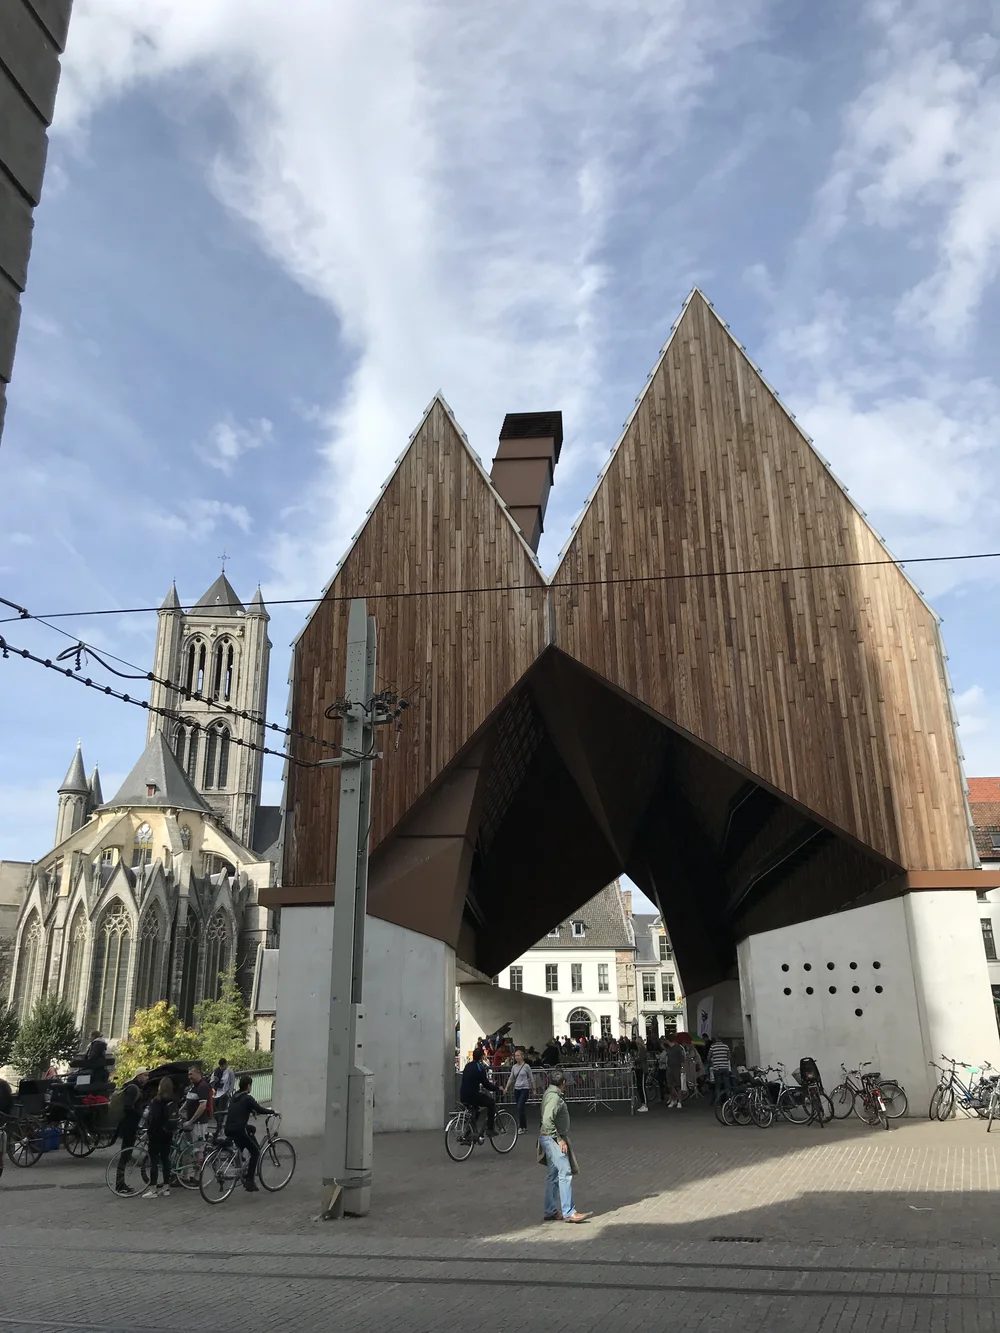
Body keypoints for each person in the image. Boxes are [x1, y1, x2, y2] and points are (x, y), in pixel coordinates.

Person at [538, 1072, 591, 1224]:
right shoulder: (554, 1097)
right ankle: (569, 1211)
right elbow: (547, 1120)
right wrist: (559, 1139)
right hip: (552, 1138)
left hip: (547, 1137)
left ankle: (550, 1210)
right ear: (562, 1083)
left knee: (553, 1174)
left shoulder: (549, 1093)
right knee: (565, 1172)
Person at [224, 1074, 276, 1192]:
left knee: (251, 1129)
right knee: (256, 1152)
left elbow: (240, 1108)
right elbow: (260, 1109)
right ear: (248, 1085)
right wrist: (272, 1112)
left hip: (229, 1128)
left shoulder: (235, 1096)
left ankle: (240, 1162)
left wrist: (250, 1110)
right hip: (239, 1129)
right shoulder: (247, 1098)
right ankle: (249, 1181)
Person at [113, 1068, 149, 1195]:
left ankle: (120, 1183)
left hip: (130, 1125)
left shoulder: (135, 1087)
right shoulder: (133, 1088)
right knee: (125, 1154)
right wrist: (141, 1114)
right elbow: (128, 1106)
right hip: (128, 1125)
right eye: (145, 1075)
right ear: (138, 1076)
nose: (147, 1077)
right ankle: (120, 1184)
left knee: (126, 1154)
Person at [142, 1075, 177, 1199]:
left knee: (154, 1161)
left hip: (156, 1134)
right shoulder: (173, 1099)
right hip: (168, 1133)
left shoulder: (157, 1101)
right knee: (165, 1160)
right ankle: (166, 1187)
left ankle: (153, 1189)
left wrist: (148, 1132)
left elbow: (154, 1119)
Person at [459, 1046, 499, 1138]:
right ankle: (490, 1129)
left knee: (475, 1111)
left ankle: (469, 1133)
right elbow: (486, 1084)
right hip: (473, 1095)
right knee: (491, 1103)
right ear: (481, 1057)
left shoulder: (467, 1066)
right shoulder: (480, 1068)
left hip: (463, 1095)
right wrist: (496, 1088)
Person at [504, 1047, 536, 1135]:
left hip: (524, 1088)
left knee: (520, 1106)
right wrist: (506, 1087)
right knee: (520, 1108)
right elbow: (511, 1078)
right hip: (517, 1089)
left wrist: (534, 1089)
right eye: (515, 1056)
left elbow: (531, 1078)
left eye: (518, 1055)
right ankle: (524, 1126)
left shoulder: (526, 1066)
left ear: (522, 1056)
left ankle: (521, 1127)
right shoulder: (514, 1067)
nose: (516, 1057)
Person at [181, 1065, 211, 1141]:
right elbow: (188, 1100)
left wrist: (191, 1121)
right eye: (188, 1075)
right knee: (190, 1144)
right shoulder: (193, 1086)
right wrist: (180, 1110)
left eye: (191, 1074)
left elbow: (202, 1106)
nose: (189, 1077)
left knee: (197, 1145)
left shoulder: (203, 1086)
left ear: (198, 1073)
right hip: (191, 1122)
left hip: (199, 1123)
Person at [707, 1036, 733, 1104]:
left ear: (716, 1039)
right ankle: (728, 1101)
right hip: (725, 1068)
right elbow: (729, 1056)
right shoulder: (726, 1046)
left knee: (717, 1086)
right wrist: (724, 1060)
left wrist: (713, 1062)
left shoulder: (713, 1047)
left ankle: (718, 1101)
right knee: (727, 1085)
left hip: (717, 1068)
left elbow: (708, 1057)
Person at [210, 1057, 235, 1125]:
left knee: (221, 1109)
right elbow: (211, 1082)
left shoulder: (230, 1072)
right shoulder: (217, 1071)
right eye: (220, 1066)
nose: (221, 1068)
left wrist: (228, 1093)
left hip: (224, 1092)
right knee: (213, 1108)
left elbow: (232, 1084)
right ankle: (218, 1122)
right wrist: (214, 1081)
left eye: (222, 1066)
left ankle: (220, 1123)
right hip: (216, 1092)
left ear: (226, 1064)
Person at [664, 1036, 685, 1108]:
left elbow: (682, 1058)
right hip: (669, 1067)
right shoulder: (668, 1048)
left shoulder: (678, 1048)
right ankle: (674, 1099)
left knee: (678, 1085)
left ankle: (679, 1101)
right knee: (670, 1085)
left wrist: (682, 1068)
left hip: (676, 1067)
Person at [633, 1036, 649, 1112]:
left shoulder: (642, 1050)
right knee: (639, 1087)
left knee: (642, 1087)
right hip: (639, 1069)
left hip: (642, 1070)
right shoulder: (640, 1050)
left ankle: (645, 1104)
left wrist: (635, 1059)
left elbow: (639, 1059)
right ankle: (643, 1103)